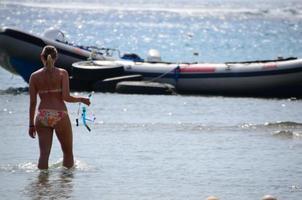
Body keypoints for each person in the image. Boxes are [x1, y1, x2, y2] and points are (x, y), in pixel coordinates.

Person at [28, 45, 90, 170]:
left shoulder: (34, 76)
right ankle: (65, 185)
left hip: (42, 116)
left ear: (42, 57)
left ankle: (42, 185)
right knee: (67, 153)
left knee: (44, 155)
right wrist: (81, 99)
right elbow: (66, 97)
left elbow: (33, 102)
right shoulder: (62, 73)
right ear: (56, 57)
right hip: (60, 115)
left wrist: (31, 125)